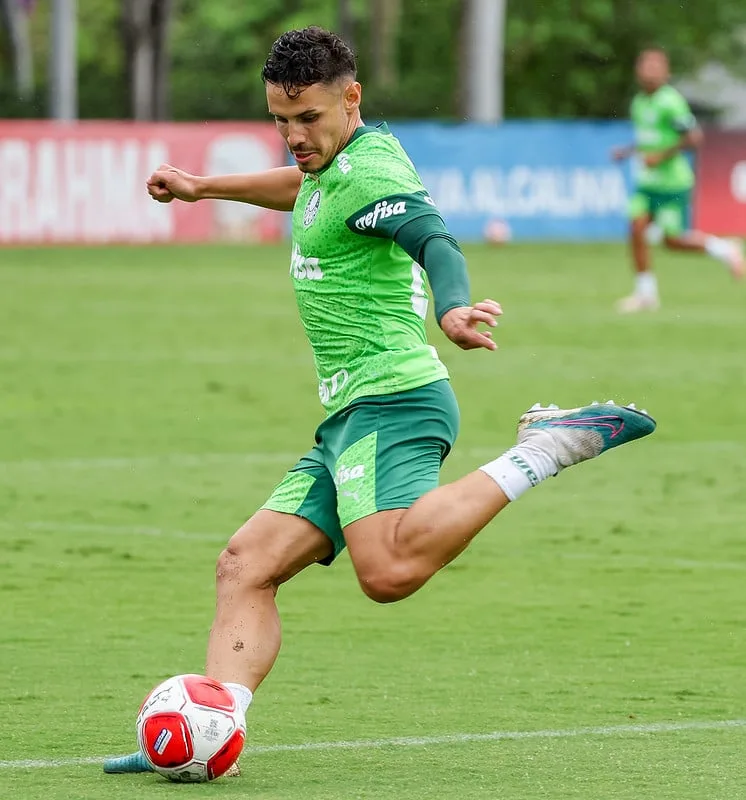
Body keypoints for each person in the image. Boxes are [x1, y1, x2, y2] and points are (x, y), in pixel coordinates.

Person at [104, 26, 656, 778]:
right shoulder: (332, 168)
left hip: (394, 400)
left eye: (309, 120)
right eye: (280, 120)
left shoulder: (371, 172)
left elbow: (435, 239)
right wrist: (207, 187)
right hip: (350, 415)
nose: (294, 137)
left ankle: (551, 444)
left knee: (387, 571)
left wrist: (451, 308)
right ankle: (211, 726)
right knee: (246, 564)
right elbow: (306, 189)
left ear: (351, 97)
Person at [612, 47, 744, 313]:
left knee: (674, 241)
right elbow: (650, 138)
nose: (649, 71)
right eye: (644, 65)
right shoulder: (639, 102)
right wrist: (627, 151)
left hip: (672, 183)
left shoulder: (670, 102)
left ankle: (724, 248)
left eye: (655, 66)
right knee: (636, 228)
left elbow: (693, 138)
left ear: (666, 72)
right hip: (648, 183)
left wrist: (661, 156)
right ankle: (645, 294)